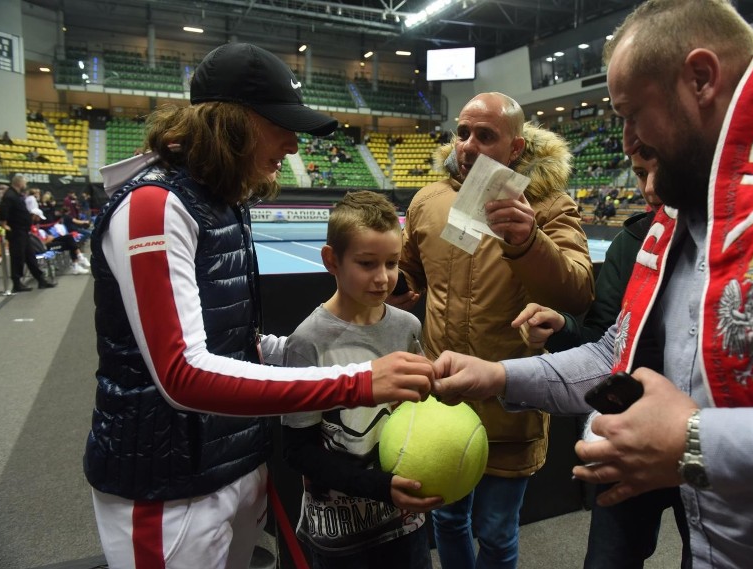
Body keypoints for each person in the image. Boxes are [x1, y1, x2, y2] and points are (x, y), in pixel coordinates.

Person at [431, 1, 753, 567]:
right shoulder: (678, 211)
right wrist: (500, 375)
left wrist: (697, 442)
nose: (626, 141)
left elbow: (690, 432)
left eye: (631, 113)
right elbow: (613, 356)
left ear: (701, 78)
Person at [84, 42, 433, 569]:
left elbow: (236, 346)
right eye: (281, 125)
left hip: (236, 463)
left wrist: (319, 344)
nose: (293, 145)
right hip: (167, 486)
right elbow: (182, 373)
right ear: (232, 123)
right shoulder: (153, 208)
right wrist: (357, 380)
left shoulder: (225, 203)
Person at [393, 92, 594, 569]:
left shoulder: (546, 205)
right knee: (446, 522)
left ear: (516, 147)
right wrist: (391, 286)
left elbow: (578, 291)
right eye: (462, 132)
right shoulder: (428, 201)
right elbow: (409, 274)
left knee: (498, 534)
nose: (468, 145)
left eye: (485, 135)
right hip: (442, 401)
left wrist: (528, 240)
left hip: (510, 402)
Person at [512, 148, 691, 568]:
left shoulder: (729, 245)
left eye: (661, 169)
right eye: (640, 172)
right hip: (629, 436)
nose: (650, 189)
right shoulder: (630, 242)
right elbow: (607, 340)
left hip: (702, 441)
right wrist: (563, 327)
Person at [281, 190, 442, 568]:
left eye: (392, 263)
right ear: (331, 260)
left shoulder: (407, 326)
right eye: (367, 263)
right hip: (341, 534)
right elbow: (298, 450)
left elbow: (416, 414)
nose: (384, 278)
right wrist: (380, 488)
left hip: (405, 524)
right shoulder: (307, 342)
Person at [0, 174, 57, 292]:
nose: (25, 185)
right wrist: (5, 225)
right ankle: (17, 283)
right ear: (19, 183)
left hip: (23, 231)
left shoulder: (17, 195)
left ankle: (41, 280)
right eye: (24, 182)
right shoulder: (10, 195)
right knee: (18, 257)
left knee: (30, 256)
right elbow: (3, 212)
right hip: (16, 232)